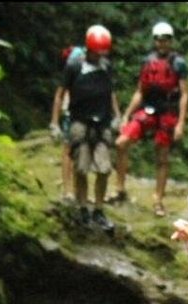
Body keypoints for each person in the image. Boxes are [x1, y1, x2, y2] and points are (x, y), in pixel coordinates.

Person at [110, 21, 188, 218]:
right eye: (159, 39)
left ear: (171, 41)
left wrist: (181, 122)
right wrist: (127, 115)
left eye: (165, 40)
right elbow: (140, 91)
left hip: (168, 112)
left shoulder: (178, 63)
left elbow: (185, 94)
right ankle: (120, 189)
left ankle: (158, 200)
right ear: (154, 41)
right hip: (149, 110)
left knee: (162, 157)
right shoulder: (147, 61)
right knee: (121, 143)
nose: (162, 43)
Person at [60, 24, 121, 232]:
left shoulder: (106, 66)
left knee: (104, 169)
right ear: (89, 49)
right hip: (80, 122)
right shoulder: (74, 67)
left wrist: (117, 116)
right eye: (97, 52)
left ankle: (98, 209)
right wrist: (55, 121)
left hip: (102, 123)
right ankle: (82, 208)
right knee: (81, 167)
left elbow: (110, 92)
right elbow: (61, 93)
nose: (100, 56)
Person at [49, 43, 85, 204]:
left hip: (84, 114)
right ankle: (68, 190)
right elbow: (60, 95)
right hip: (72, 113)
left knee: (80, 152)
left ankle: (76, 191)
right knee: (69, 150)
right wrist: (55, 123)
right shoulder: (72, 70)